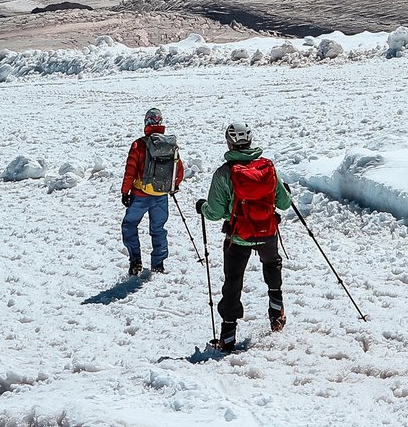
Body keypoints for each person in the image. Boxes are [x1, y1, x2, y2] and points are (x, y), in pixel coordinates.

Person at [200, 122, 291, 350]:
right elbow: (284, 202)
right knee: (272, 265)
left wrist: (202, 207)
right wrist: (285, 190)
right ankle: (276, 311)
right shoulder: (267, 168)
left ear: (229, 143)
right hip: (267, 233)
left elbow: (216, 212)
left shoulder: (224, 174)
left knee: (233, 282)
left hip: (238, 237)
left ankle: (228, 336)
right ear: (250, 141)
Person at [120, 106, 183, 277]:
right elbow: (179, 169)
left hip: (140, 195)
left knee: (129, 225)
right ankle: (158, 264)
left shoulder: (138, 144)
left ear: (146, 123)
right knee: (158, 229)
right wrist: (172, 186)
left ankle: (135, 260)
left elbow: (130, 171)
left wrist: (125, 192)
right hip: (161, 195)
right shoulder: (169, 144)